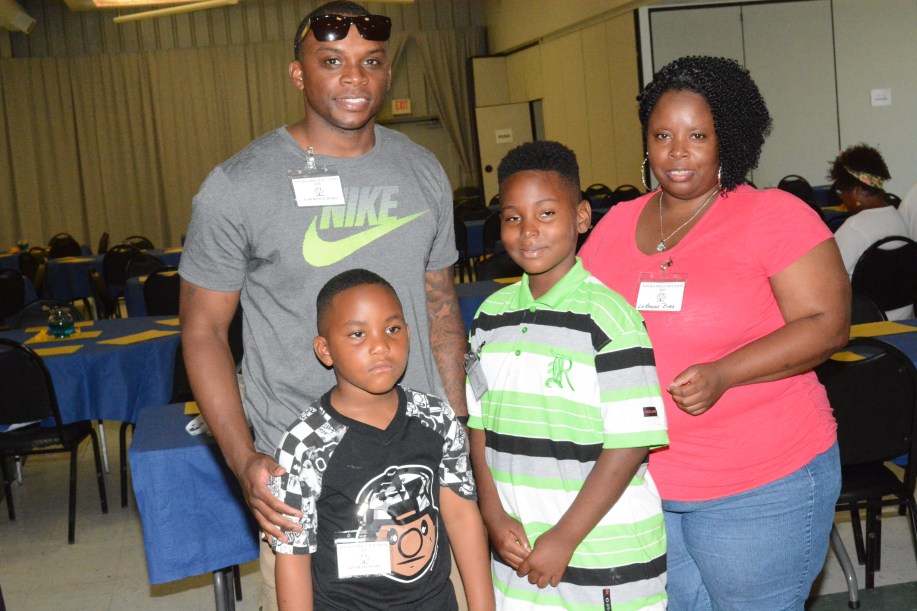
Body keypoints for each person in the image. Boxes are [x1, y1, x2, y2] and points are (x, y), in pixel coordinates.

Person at [178, 2, 468, 608]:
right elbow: (203, 331)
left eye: (371, 62)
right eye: (332, 61)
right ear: (298, 74)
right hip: (306, 483)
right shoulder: (238, 186)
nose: (355, 78)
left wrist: (458, 430)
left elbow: (441, 309)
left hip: (420, 470)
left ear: (388, 73)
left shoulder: (422, 170)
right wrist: (242, 456)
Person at [578, 56, 850, 610]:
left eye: (697, 136)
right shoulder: (616, 224)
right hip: (642, 479)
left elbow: (828, 324)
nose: (677, 152)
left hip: (762, 481)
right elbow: (578, 319)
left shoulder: (774, 215)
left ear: (729, 138)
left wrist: (724, 373)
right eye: (663, 136)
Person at [467, 140, 670, 609]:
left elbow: (631, 443)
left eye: (546, 214)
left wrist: (564, 538)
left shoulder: (610, 318)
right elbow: (478, 427)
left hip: (603, 558)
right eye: (513, 217)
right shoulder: (489, 317)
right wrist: (493, 515)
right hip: (518, 556)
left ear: (581, 217)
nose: (528, 231)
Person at [268, 268, 493, 610]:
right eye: (358, 334)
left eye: (392, 329)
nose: (380, 346)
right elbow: (293, 557)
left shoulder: (436, 418)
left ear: (409, 334)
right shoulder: (304, 444)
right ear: (325, 350)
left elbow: (462, 518)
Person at [829, 144, 913, 319]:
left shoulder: (854, 228)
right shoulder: (898, 218)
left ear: (858, 191)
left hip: (866, 323)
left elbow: (826, 277)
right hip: (905, 320)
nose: (842, 198)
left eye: (842, 191)